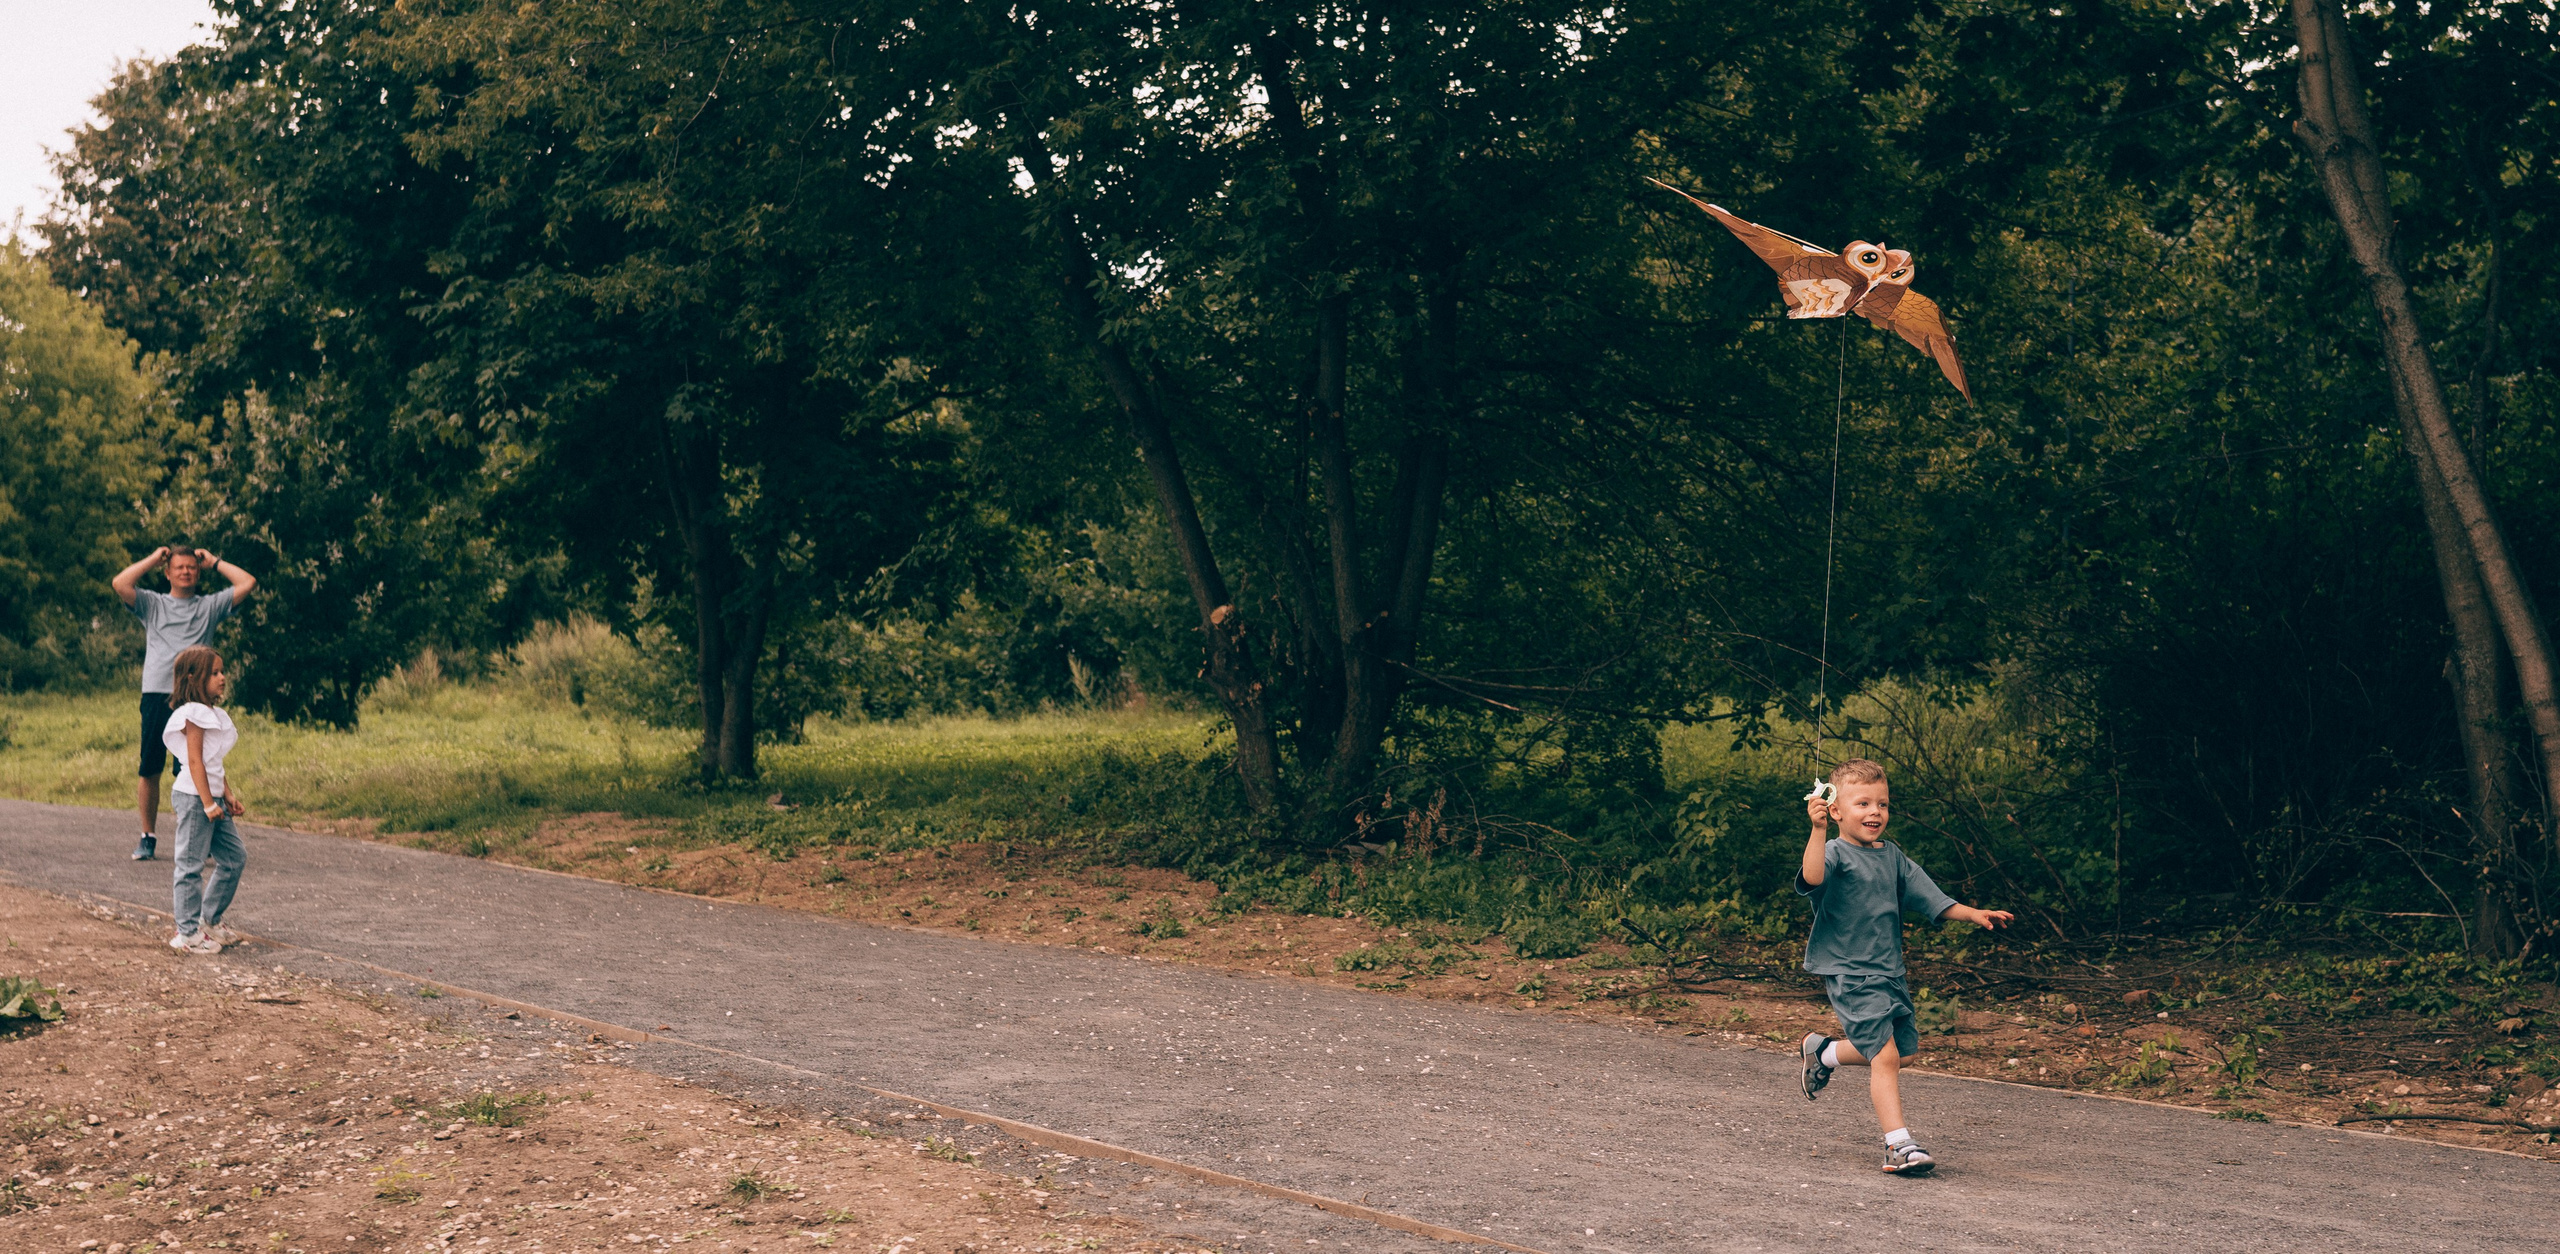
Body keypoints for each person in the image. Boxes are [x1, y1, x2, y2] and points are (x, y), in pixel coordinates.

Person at [1792, 758, 2011, 1175]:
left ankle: (1825, 1053)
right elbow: (1814, 878)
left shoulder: (1892, 857)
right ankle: (1898, 1145)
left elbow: (1933, 897)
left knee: (1903, 1054)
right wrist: (1817, 831)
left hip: (1889, 971)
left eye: (1883, 804)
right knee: (1886, 1057)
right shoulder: (1834, 852)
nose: (1875, 812)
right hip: (1850, 972)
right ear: (1835, 808)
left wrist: (1973, 914)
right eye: (1863, 804)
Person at [111, 545, 255, 861]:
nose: (186, 571)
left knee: (192, 766)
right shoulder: (152, 603)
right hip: (157, 692)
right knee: (149, 765)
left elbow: (247, 583)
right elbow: (120, 584)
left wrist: (215, 562)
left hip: (194, 697)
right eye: (179, 567)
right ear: (168, 572)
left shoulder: (210, 605)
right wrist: (153, 557)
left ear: (198, 571)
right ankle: (147, 837)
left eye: (191, 567)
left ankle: (196, 839)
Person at [163, 645, 247, 955]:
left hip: (212, 798)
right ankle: (187, 934)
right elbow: (195, 761)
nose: (222, 677)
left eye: (222, 671)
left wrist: (227, 795)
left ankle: (209, 921)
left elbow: (213, 762)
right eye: (214, 673)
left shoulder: (213, 713)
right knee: (190, 865)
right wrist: (208, 802)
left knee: (234, 858)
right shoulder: (193, 714)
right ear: (192, 677)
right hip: (194, 797)